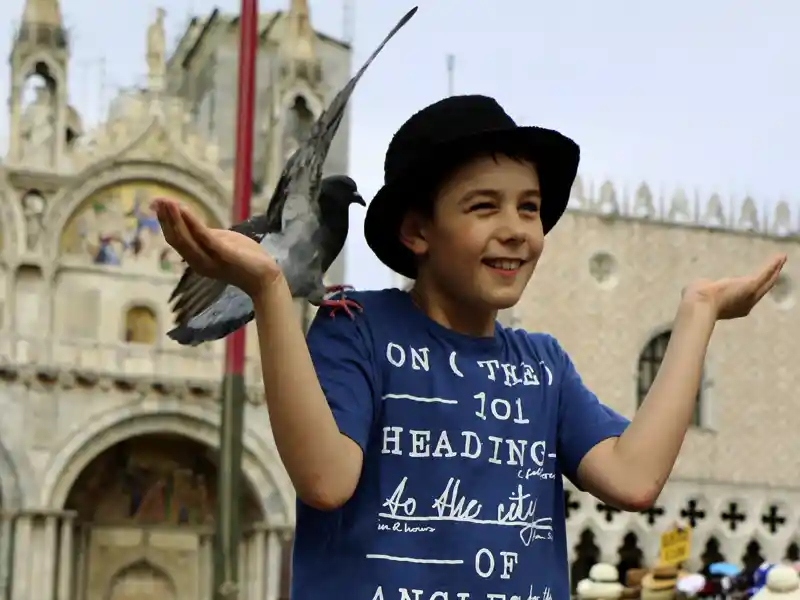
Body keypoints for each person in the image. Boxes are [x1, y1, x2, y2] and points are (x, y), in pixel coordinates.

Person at [152, 94, 786, 600]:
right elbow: (324, 478)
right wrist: (269, 290)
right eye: (484, 207)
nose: (515, 231)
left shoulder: (544, 367)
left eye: (530, 209)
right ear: (418, 230)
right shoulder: (358, 325)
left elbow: (634, 476)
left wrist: (698, 314)